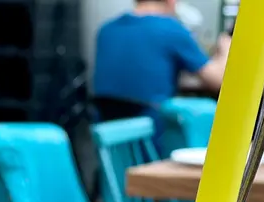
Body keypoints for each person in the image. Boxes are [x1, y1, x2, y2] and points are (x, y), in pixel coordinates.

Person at [93, 0, 230, 125]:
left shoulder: (105, 31)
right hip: (157, 135)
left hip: (110, 138)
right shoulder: (171, 29)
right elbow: (219, 81)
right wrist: (227, 47)